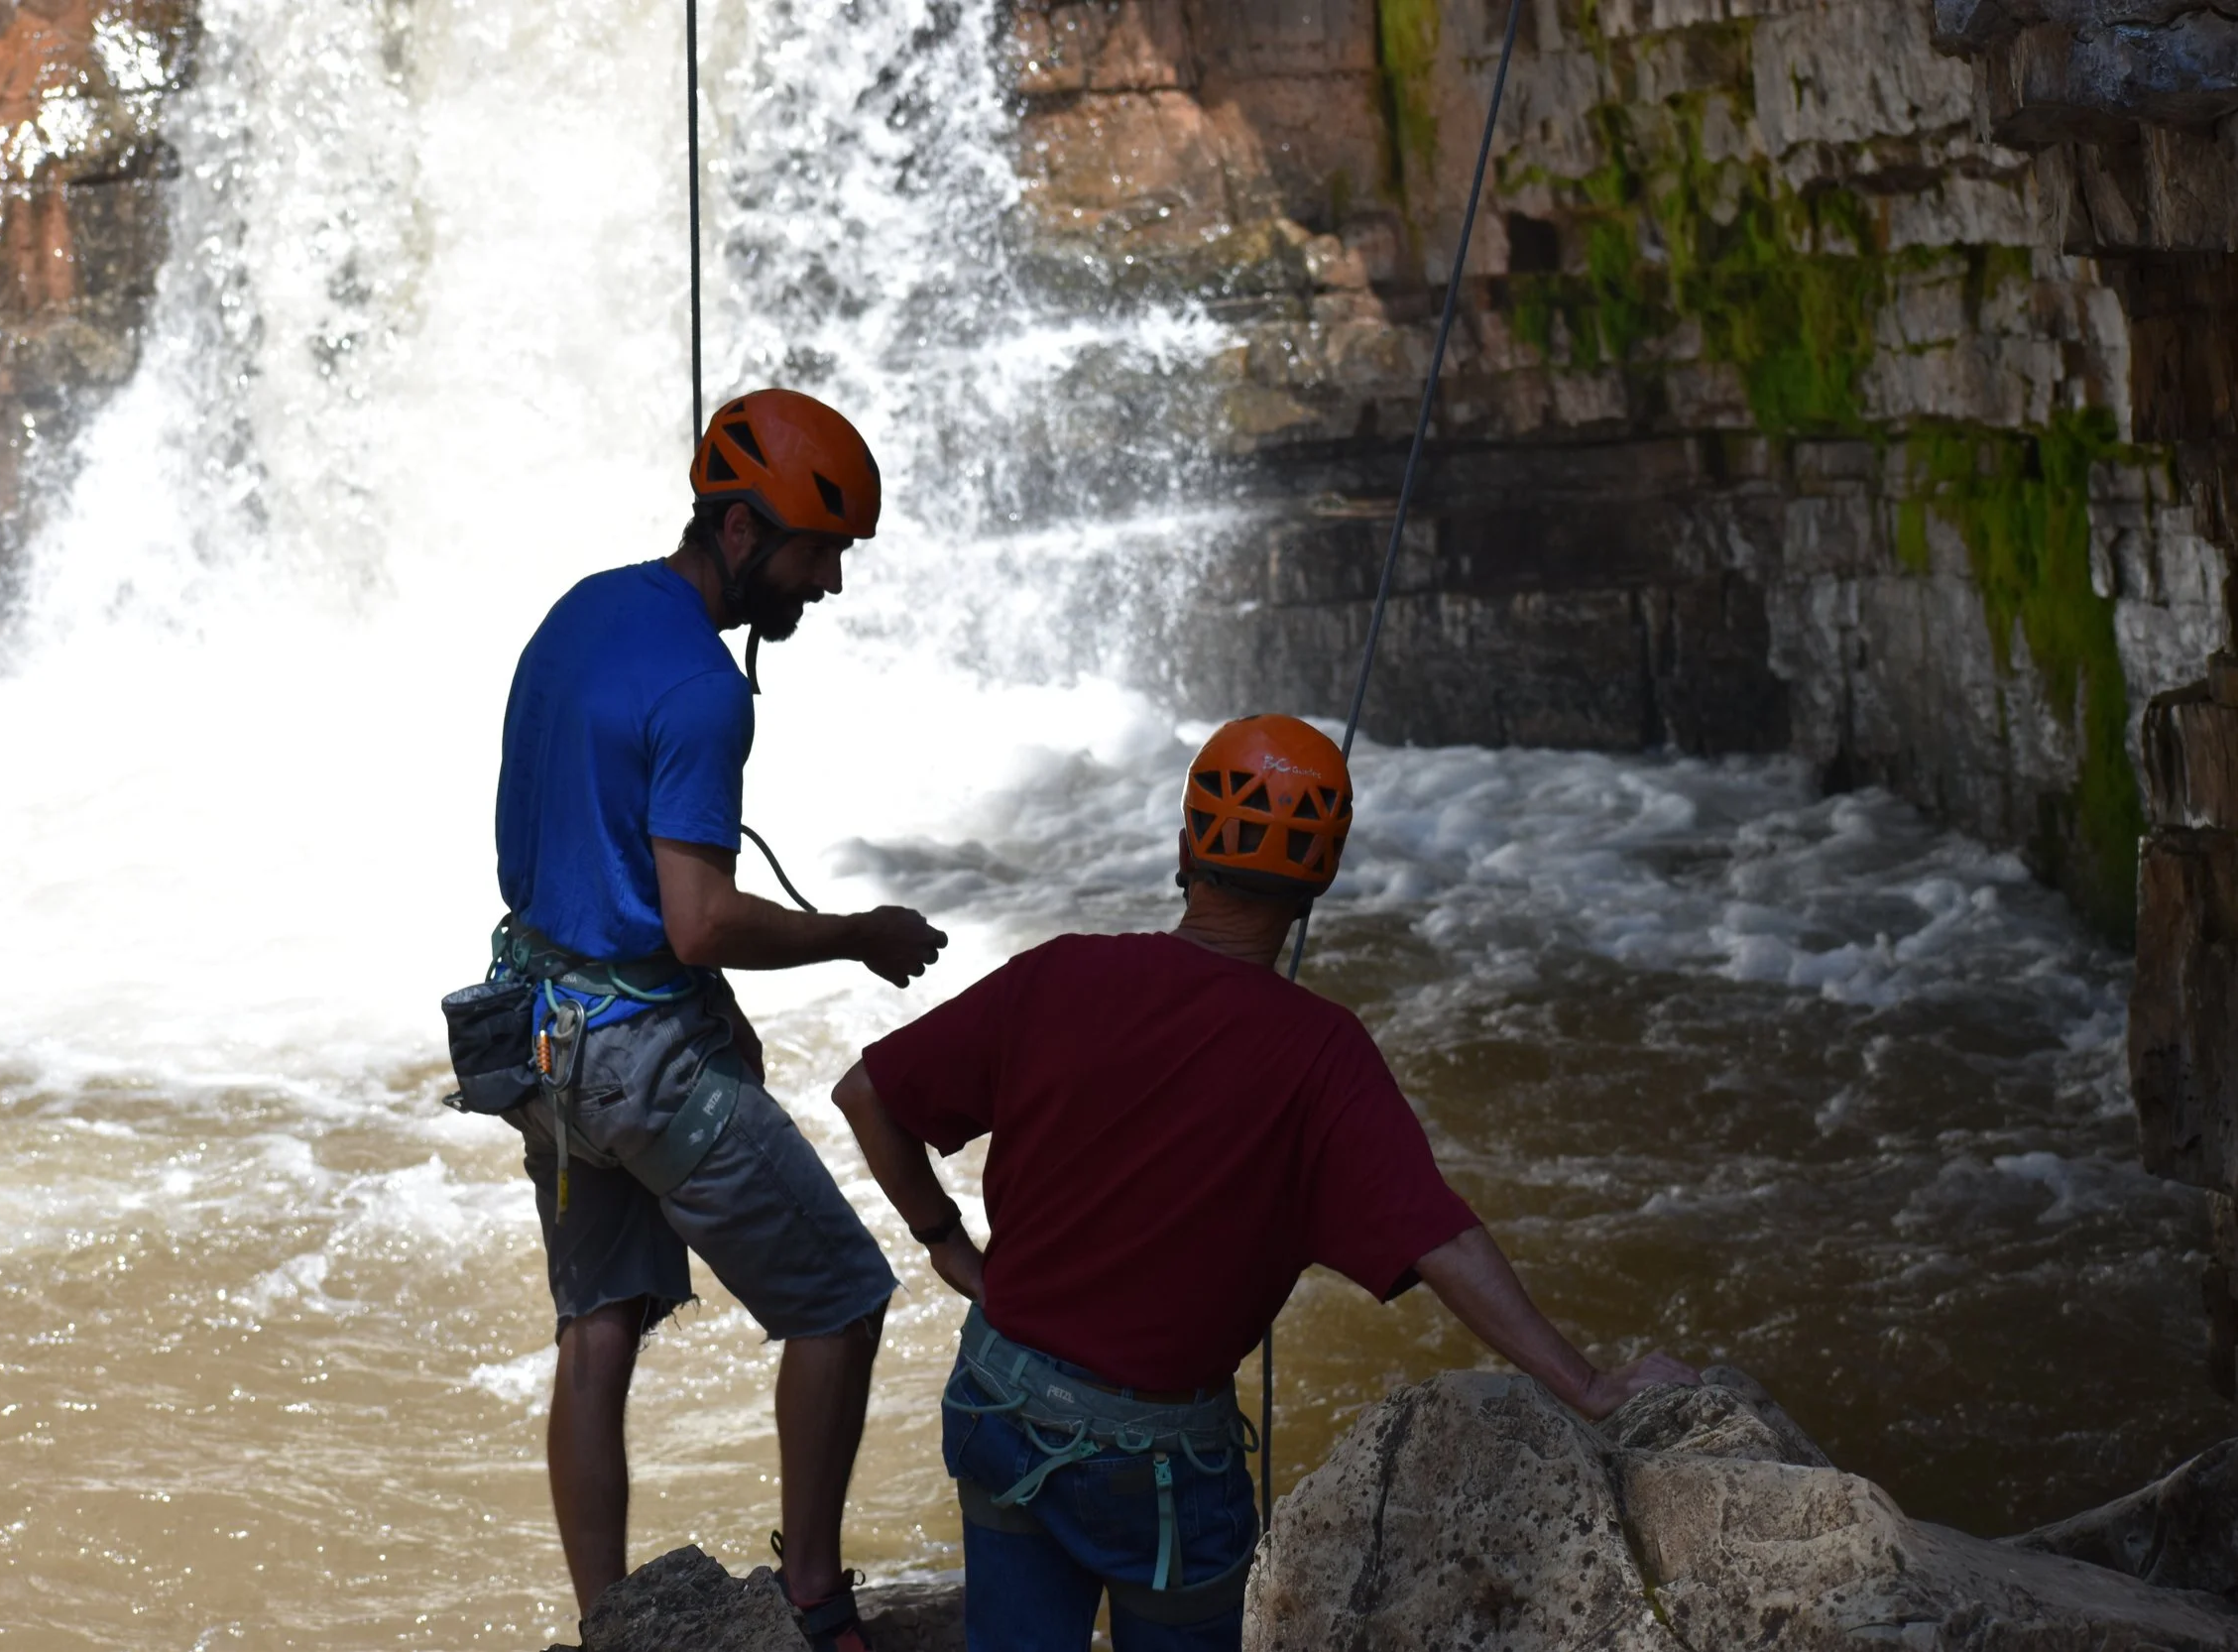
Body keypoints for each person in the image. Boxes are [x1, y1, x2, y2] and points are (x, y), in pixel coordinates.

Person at [828, 713, 1701, 1652]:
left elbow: (866, 1091)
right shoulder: (1323, 1055)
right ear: (1316, 883)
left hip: (1001, 1395)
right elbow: (1440, 1240)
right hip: (1158, 1465)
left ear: (1184, 849)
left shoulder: (1060, 971)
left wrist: (948, 1247)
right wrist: (1591, 1386)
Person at [489, 388, 946, 1652]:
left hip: (536, 1033)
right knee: (843, 1300)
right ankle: (813, 1591)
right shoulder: (704, 693)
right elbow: (695, 923)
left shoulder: (584, 608)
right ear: (743, 536)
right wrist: (858, 935)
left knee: (596, 1331)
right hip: (638, 1058)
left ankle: (606, 1623)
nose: (830, 587)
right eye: (819, 554)